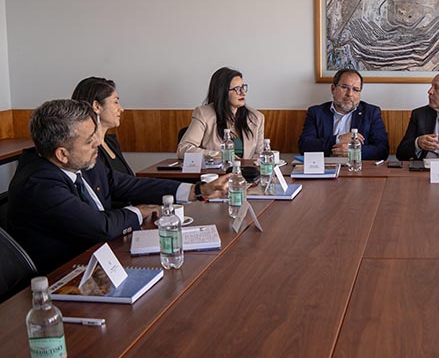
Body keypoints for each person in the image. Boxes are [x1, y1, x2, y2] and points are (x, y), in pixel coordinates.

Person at [7, 100, 230, 275]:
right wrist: (139, 211)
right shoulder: (39, 185)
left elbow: (130, 185)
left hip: (102, 257)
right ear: (62, 154)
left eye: (95, 135)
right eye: (89, 141)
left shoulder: (82, 160)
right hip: (64, 275)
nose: (97, 143)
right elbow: (100, 226)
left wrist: (196, 190)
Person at [298, 69, 389, 160]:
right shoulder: (316, 112)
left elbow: (382, 151)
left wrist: (353, 152)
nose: (350, 94)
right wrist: (338, 139)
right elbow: (304, 146)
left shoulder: (371, 113)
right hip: (325, 166)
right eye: (345, 87)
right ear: (333, 89)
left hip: (357, 166)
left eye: (355, 89)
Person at [178, 67, 266, 160]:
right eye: (237, 89)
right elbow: (183, 149)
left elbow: (259, 155)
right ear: (222, 92)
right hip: (215, 169)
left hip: (245, 169)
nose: (243, 93)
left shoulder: (257, 118)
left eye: (243, 87)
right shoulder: (203, 114)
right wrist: (217, 155)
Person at [71, 76, 133, 176]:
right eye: (115, 102)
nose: (121, 109)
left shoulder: (111, 142)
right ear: (97, 106)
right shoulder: (86, 149)